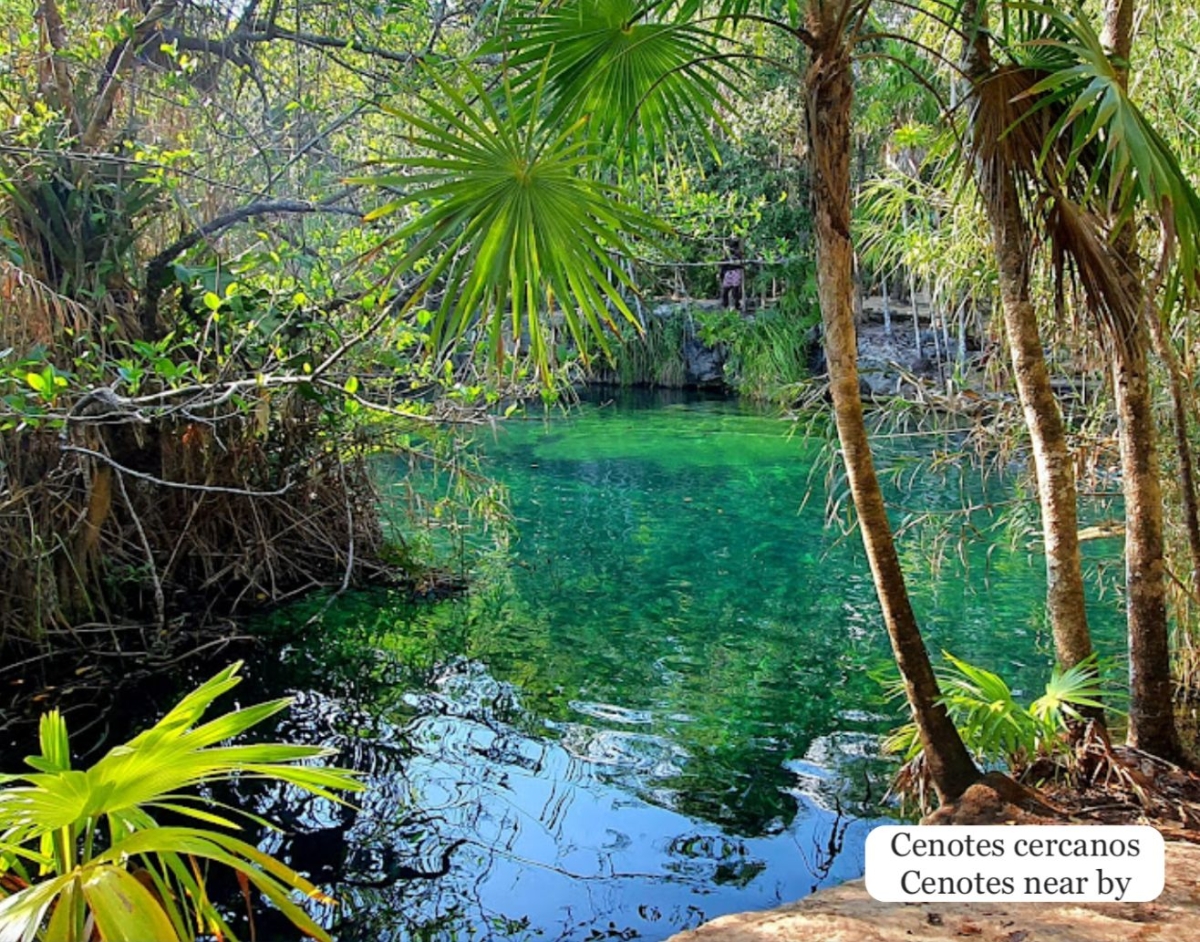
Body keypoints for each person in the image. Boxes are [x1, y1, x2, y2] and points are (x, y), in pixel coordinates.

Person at [719, 237, 744, 310]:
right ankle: (725, 305)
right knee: (726, 289)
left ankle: (736, 305)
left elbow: (739, 262)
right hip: (729, 272)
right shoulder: (727, 253)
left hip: (735, 271)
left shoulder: (738, 253)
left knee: (735, 290)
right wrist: (722, 272)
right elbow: (724, 263)